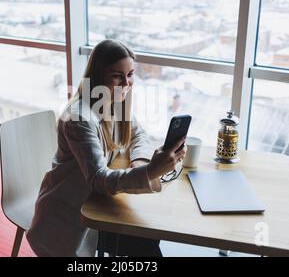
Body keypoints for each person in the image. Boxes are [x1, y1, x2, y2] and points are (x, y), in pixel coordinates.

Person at [26, 39, 187, 257]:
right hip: (68, 215)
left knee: (149, 235)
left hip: (95, 203)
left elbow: (138, 134)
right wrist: (151, 171)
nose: (127, 83)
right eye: (117, 76)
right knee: (145, 243)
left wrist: (139, 161)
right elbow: (99, 180)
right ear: (97, 77)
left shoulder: (114, 102)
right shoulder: (79, 118)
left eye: (130, 74)